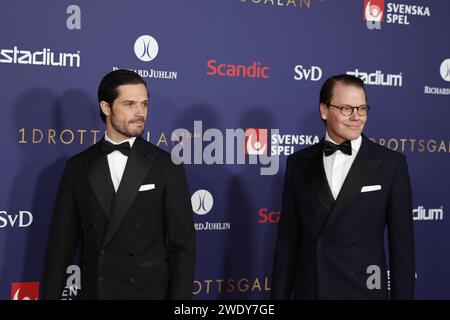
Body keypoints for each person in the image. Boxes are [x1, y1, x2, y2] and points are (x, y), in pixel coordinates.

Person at [43, 69, 195, 300]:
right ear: (106, 108)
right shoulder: (78, 167)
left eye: (144, 104)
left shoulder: (166, 165)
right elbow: (60, 247)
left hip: (148, 293)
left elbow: (182, 248)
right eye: (130, 104)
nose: (140, 113)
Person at [271, 74, 415, 299]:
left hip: (363, 292)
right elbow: (287, 244)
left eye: (362, 108)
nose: (357, 117)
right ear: (324, 110)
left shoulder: (391, 165)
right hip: (312, 291)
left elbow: (402, 251)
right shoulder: (298, 164)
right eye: (347, 108)